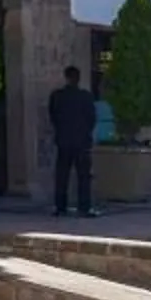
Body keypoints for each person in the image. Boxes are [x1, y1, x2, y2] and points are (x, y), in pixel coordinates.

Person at [47, 65, 99, 218]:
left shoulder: (57, 96)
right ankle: (84, 207)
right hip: (82, 141)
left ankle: (60, 206)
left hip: (64, 140)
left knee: (62, 175)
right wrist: (85, 132)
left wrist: (61, 131)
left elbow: (53, 116)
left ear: (66, 78)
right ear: (78, 79)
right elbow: (92, 118)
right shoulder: (86, 97)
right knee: (83, 176)